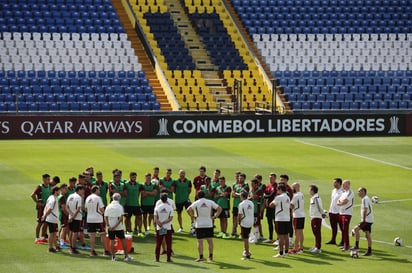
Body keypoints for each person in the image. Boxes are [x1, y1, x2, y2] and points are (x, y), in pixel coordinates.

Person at [187, 191, 222, 262]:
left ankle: (201, 257)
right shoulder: (210, 202)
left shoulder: (197, 202)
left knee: (200, 242)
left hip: (199, 224)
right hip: (209, 224)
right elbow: (219, 209)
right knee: (210, 241)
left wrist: (193, 216)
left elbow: (188, 209)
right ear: (205, 195)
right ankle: (211, 257)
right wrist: (214, 216)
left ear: (197, 196)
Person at [104, 193, 133, 262]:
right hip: (118, 227)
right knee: (123, 240)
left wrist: (108, 225)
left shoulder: (108, 206)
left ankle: (113, 257)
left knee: (112, 240)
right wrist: (115, 226)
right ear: (119, 199)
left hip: (110, 226)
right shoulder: (120, 206)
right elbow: (120, 219)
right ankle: (126, 256)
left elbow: (105, 217)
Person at [85, 185, 109, 256]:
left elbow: (86, 209)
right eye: (98, 190)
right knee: (103, 234)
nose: (99, 191)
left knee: (92, 235)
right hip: (98, 219)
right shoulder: (98, 198)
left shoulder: (88, 198)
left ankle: (92, 251)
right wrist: (102, 213)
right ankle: (105, 251)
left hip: (89, 219)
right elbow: (102, 209)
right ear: (95, 190)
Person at [351, 187, 374, 256]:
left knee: (355, 229)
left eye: (359, 191)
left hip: (366, 220)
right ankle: (369, 251)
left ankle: (357, 246)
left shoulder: (365, 199)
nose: (358, 193)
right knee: (367, 235)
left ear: (363, 192)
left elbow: (365, 209)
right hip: (369, 219)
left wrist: (363, 219)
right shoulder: (366, 198)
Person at [269, 184, 290, 258]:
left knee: (280, 236)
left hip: (280, 218)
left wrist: (274, 201)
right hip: (287, 218)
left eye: (278, 190)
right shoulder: (288, 197)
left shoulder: (278, 197)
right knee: (286, 236)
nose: (277, 191)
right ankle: (286, 252)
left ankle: (281, 253)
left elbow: (271, 204)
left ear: (280, 189)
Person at [31, 174, 51, 244]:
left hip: (47, 207)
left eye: (49, 179)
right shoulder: (39, 187)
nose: (49, 180)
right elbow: (32, 195)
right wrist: (37, 202)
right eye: (47, 179)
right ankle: (36, 238)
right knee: (40, 222)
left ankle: (43, 237)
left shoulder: (49, 186)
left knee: (46, 223)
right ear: (43, 180)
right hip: (41, 208)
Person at [154, 193, 174, 262]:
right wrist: (164, 223)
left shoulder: (157, 207)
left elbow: (155, 218)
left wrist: (160, 223)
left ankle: (157, 258)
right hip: (167, 227)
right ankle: (168, 258)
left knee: (158, 243)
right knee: (168, 243)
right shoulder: (170, 207)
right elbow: (170, 218)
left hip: (159, 228)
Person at [66, 185, 84, 254]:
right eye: (82, 190)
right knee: (75, 233)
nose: (83, 191)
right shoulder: (79, 197)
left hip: (71, 217)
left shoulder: (70, 196)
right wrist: (73, 217)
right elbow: (78, 208)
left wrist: (71, 215)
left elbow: (67, 206)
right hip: (76, 217)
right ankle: (73, 248)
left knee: (70, 232)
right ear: (79, 190)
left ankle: (71, 247)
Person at [124, 172, 143, 237]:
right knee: (127, 218)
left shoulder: (138, 184)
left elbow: (139, 193)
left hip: (136, 204)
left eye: (135, 177)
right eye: (132, 177)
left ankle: (139, 231)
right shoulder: (126, 184)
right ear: (130, 177)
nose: (134, 178)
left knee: (139, 217)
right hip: (128, 204)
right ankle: (128, 230)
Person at [337, 180, 354, 251]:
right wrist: (340, 203)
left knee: (345, 229)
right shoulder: (344, 193)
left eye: (344, 184)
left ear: (348, 184)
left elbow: (345, 201)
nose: (343, 185)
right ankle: (345, 244)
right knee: (343, 229)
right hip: (341, 213)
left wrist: (340, 203)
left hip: (347, 213)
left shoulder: (350, 192)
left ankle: (346, 245)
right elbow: (338, 201)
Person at [42, 186, 60, 252]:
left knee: (54, 233)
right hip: (52, 218)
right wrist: (45, 215)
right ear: (55, 191)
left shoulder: (50, 197)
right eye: (59, 191)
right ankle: (50, 248)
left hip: (51, 218)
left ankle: (56, 246)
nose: (59, 192)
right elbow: (50, 209)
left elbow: (46, 207)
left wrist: (44, 215)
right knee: (52, 233)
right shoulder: (54, 199)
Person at [309, 184, 326, 253]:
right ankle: (316, 246)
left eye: (310, 190)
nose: (309, 191)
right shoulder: (313, 198)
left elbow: (319, 207)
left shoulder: (316, 198)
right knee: (315, 232)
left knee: (317, 232)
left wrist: (322, 213)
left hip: (316, 217)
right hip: (313, 217)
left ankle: (318, 248)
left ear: (313, 191)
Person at [326, 178, 344, 245]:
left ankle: (343, 241)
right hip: (332, 212)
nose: (334, 184)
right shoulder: (333, 191)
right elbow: (332, 201)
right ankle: (333, 240)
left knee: (342, 228)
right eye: (334, 183)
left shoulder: (342, 192)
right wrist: (329, 210)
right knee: (333, 227)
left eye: (335, 182)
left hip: (339, 212)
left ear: (339, 183)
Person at [231, 172, 249, 238]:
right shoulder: (235, 185)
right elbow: (232, 195)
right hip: (235, 205)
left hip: (243, 205)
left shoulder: (246, 186)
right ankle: (233, 232)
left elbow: (245, 195)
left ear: (244, 179)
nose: (240, 179)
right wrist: (239, 194)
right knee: (234, 218)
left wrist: (237, 194)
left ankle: (242, 233)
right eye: (239, 178)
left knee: (242, 218)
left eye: (241, 178)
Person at [238, 191, 254, 260]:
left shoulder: (241, 204)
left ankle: (247, 253)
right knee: (246, 237)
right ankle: (246, 250)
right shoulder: (251, 203)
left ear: (242, 196)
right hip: (251, 221)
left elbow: (240, 215)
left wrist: (239, 222)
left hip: (245, 222)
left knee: (245, 239)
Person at [289, 182, 305, 254]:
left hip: (297, 215)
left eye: (293, 187)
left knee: (297, 233)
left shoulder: (295, 196)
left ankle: (295, 248)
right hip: (302, 215)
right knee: (301, 232)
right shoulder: (301, 194)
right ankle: (300, 247)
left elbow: (291, 206)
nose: (292, 189)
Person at [278, 174, 293, 247]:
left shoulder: (288, 189)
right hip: (281, 212)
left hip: (287, 212)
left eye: (282, 180)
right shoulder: (281, 188)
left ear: (286, 180)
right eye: (280, 179)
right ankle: (282, 242)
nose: (280, 181)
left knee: (288, 227)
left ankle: (289, 241)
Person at [248, 178, 264, 243]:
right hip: (251, 210)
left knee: (256, 224)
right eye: (251, 184)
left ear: (256, 184)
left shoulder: (259, 191)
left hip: (257, 210)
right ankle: (253, 236)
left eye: (252, 184)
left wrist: (250, 197)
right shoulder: (251, 191)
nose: (251, 185)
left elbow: (255, 197)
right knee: (250, 223)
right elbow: (248, 198)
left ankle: (256, 238)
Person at [263, 173, 277, 243]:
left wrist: (266, 196)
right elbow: (265, 195)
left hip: (274, 207)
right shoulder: (268, 186)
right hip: (268, 207)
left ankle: (278, 238)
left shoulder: (276, 186)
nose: (270, 179)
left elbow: (271, 195)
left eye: (272, 178)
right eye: (270, 178)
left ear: (275, 178)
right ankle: (270, 237)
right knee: (269, 223)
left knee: (275, 222)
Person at [57, 183, 70, 249]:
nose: (66, 190)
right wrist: (68, 214)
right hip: (63, 215)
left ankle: (60, 240)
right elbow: (63, 208)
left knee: (63, 227)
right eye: (65, 189)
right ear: (61, 189)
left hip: (61, 214)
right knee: (64, 228)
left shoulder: (59, 196)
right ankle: (61, 243)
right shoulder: (62, 197)